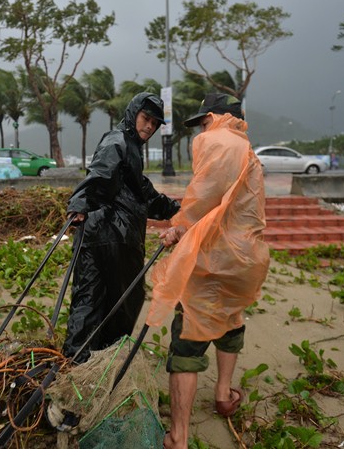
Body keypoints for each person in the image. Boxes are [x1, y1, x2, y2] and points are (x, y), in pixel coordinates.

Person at [146, 93, 270, 449]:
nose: (201, 127)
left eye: (203, 119)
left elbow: (203, 197)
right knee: (231, 319)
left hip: (210, 259)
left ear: (216, 116)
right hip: (245, 260)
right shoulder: (249, 152)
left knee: (189, 340)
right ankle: (223, 394)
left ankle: (179, 436)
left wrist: (178, 228)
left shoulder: (215, 140)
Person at [62, 92, 181, 364]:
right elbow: (101, 174)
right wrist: (81, 201)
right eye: (145, 119)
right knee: (121, 303)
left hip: (97, 236)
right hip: (115, 237)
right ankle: (99, 363)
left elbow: (143, 193)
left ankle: (77, 363)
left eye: (154, 123)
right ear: (133, 114)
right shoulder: (118, 140)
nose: (149, 126)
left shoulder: (130, 149)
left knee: (90, 300)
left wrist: (177, 211)